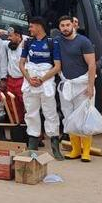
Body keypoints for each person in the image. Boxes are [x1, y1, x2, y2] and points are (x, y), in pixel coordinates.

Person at [18, 17, 63, 158]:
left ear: (39, 26)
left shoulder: (52, 42)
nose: (30, 29)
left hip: (46, 81)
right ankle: (33, 144)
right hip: (30, 81)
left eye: (31, 26)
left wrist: (42, 79)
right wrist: (29, 78)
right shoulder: (28, 42)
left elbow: (57, 66)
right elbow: (21, 64)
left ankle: (55, 145)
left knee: (50, 112)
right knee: (31, 112)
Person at [56, 16, 97, 162]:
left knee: (84, 117)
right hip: (67, 84)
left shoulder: (83, 41)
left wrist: (91, 86)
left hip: (83, 85)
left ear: (73, 25)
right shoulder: (57, 41)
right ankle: (75, 150)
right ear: (59, 27)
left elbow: (92, 65)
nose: (65, 28)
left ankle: (86, 152)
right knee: (69, 117)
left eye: (68, 25)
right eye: (62, 25)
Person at [4, 26, 28, 124]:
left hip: (23, 80)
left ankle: (35, 135)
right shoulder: (8, 45)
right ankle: (18, 132)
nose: (8, 38)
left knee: (28, 106)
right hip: (10, 81)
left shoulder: (27, 44)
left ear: (18, 35)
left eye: (10, 36)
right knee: (12, 107)